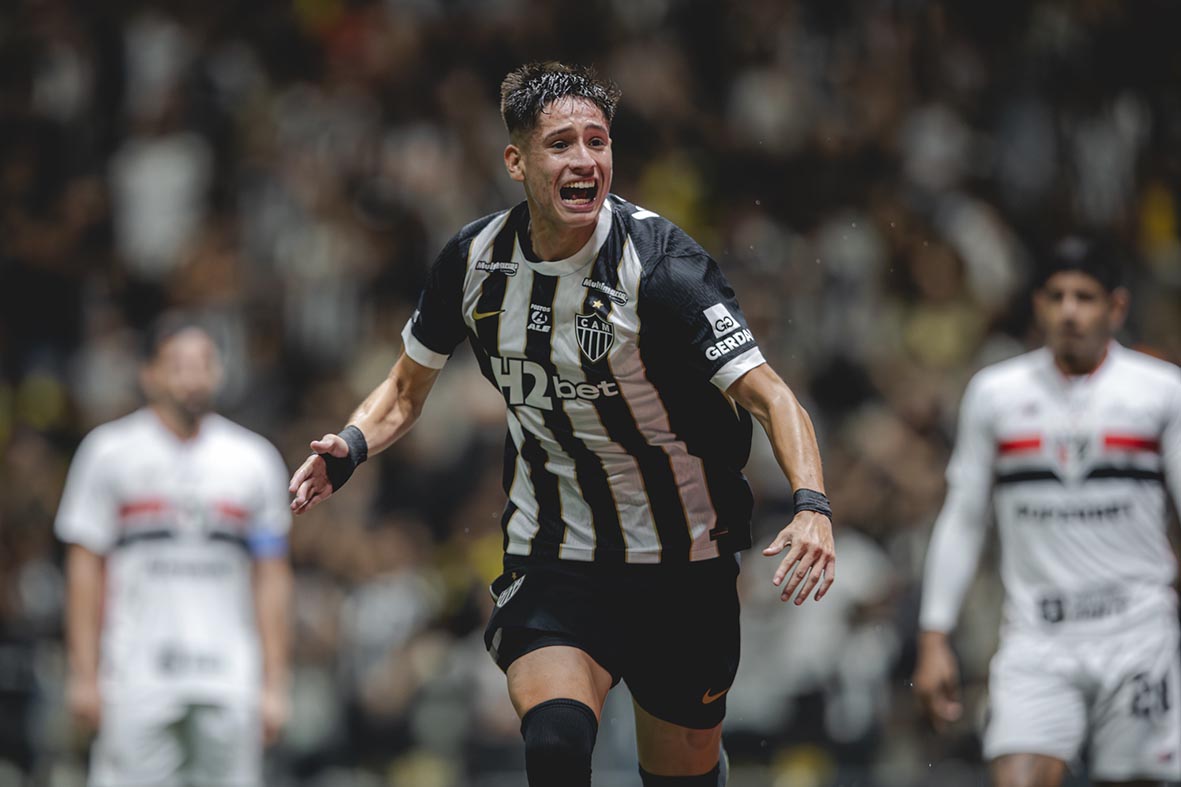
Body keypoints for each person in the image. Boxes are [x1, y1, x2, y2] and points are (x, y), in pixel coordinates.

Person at [289, 61, 836, 787]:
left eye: (597, 141)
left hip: (685, 562)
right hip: (556, 554)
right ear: (516, 161)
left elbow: (771, 396)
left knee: (681, 774)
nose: (584, 160)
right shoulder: (473, 261)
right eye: (561, 144)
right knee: (554, 745)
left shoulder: (662, 267)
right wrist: (352, 444)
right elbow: (404, 387)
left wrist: (811, 504)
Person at [913, 237, 1181, 787]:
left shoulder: (1160, 392)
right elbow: (964, 518)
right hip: (1036, 638)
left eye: (1085, 297)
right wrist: (934, 635)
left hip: (1138, 634)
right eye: (1056, 297)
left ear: (1117, 307)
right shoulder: (995, 394)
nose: (1069, 312)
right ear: (1037, 305)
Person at [57, 319, 293, 787]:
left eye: (204, 364)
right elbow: (84, 570)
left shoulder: (254, 460)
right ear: (149, 374)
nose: (193, 378)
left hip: (230, 677)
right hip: (135, 675)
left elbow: (272, 577)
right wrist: (84, 674)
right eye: (178, 365)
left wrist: (275, 683)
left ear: (219, 373)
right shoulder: (108, 453)